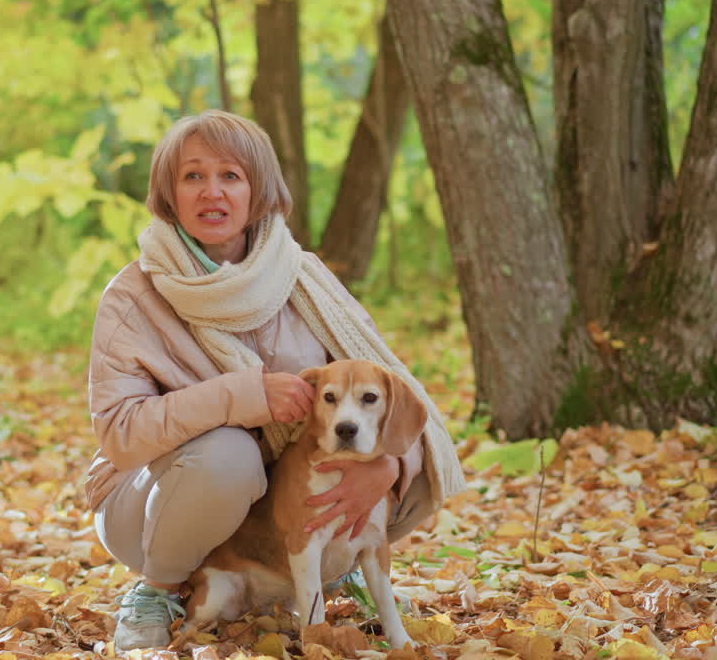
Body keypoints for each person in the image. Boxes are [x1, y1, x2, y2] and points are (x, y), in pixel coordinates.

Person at [85, 109, 465, 651]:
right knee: (229, 456)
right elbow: (120, 434)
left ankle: (336, 567)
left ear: (258, 191)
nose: (211, 191)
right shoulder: (133, 296)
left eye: (230, 176)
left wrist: (389, 465)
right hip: (149, 503)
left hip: (279, 504)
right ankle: (158, 589)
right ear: (169, 192)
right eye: (193, 175)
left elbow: (391, 392)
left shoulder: (304, 276)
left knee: (386, 448)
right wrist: (244, 398)